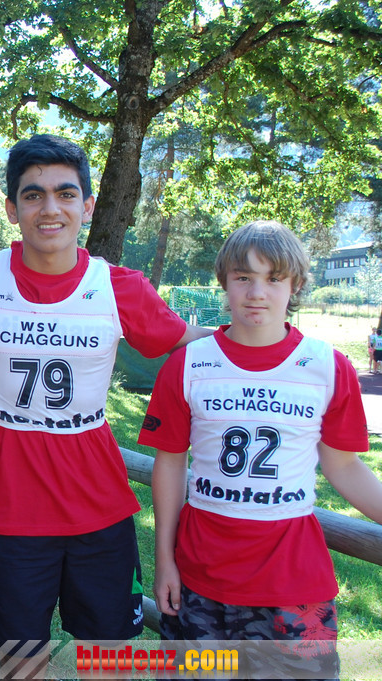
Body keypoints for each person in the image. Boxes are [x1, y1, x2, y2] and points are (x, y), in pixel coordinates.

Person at [0, 133, 210, 675]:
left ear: (87, 206)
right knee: (20, 659)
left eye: (65, 194)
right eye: (33, 195)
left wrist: (272, 341)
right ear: (12, 208)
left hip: (97, 503)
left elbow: (186, 341)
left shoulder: (118, 286)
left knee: (105, 657)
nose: (50, 208)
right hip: (9, 503)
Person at [141, 221, 380, 669]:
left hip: (294, 583)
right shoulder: (188, 364)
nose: (257, 293)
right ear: (224, 282)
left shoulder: (328, 367)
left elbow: (344, 467)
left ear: (296, 285)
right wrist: (164, 560)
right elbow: (170, 463)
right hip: (201, 576)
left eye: (273, 279)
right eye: (243, 277)